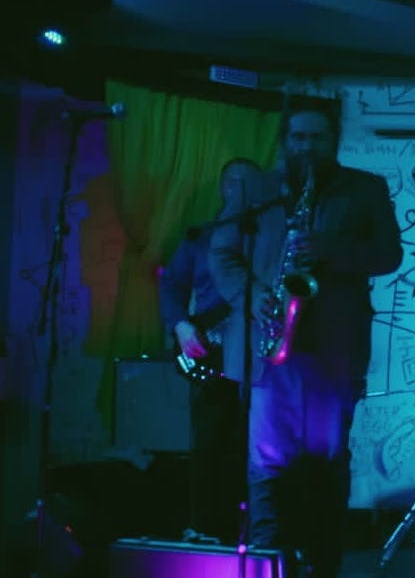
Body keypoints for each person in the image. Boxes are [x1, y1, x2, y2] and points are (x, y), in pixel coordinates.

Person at [208, 96, 402, 577]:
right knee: (266, 466)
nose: (307, 147)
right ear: (285, 140)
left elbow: (388, 254)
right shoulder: (256, 189)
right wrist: (253, 295)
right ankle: (266, 562)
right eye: (298, 137)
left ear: (334, 140)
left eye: (318, 137)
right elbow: (222, 253)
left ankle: (322, 563)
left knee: (327, 464)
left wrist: (330, 249)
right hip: (267, 345)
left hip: (333, 349)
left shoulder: (365, 188)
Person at [160, 157, 263, 544]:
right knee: (208, 444)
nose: (239, 188)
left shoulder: (268, 236)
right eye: (232, 181)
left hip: (257, 353)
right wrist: (180, 325)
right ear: (222, 187)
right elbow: (171, 284)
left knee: (253, 445)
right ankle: (203, 528)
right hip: (210, 350)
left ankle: (250, 533)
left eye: (248, 182)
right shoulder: (199, 237)